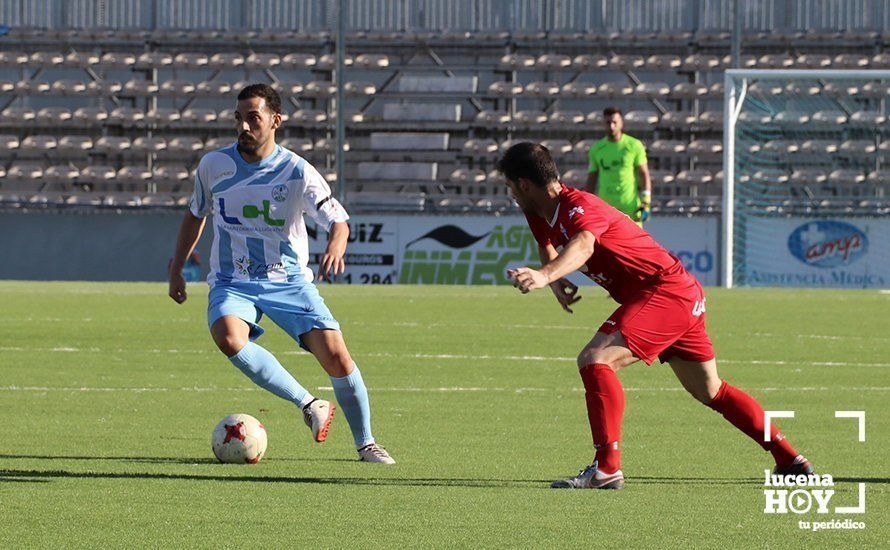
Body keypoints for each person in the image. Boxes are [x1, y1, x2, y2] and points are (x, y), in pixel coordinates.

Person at [499, 142, 811, 489]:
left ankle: (606, 469)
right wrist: (555, 278)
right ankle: (790, 460)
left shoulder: (580, 205)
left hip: (665, 292)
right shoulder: (539, 210)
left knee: (595, 360)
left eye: (511, 187)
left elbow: (584, 243)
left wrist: (545, 276)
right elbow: (548, 241)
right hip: (679, 293)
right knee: (711, 390)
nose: (510, 194)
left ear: (524, 184)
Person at [168, 83, 394, 464]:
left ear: (275, 120)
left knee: (337, 357)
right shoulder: (213, 166)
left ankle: (367, 443)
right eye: (239, 118)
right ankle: (308, 403)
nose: (244, 126)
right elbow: (196, 214)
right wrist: (177, 266)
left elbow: (337, 219)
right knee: (227, 336)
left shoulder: (298, 171)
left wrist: (337, 244)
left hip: (287, 281)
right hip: (232, 281)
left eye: (253, 117)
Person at [585, 107, 652, 227]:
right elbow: (592, 179)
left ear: (621, 122)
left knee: (634, 244)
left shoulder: (634, 145)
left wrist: (645, 202)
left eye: (614, 122)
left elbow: (643, 174)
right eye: (608, 122)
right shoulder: (596, 149)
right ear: (603, 124)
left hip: (631, 209)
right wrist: (585, 204)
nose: (611, 126)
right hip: (606, 209)